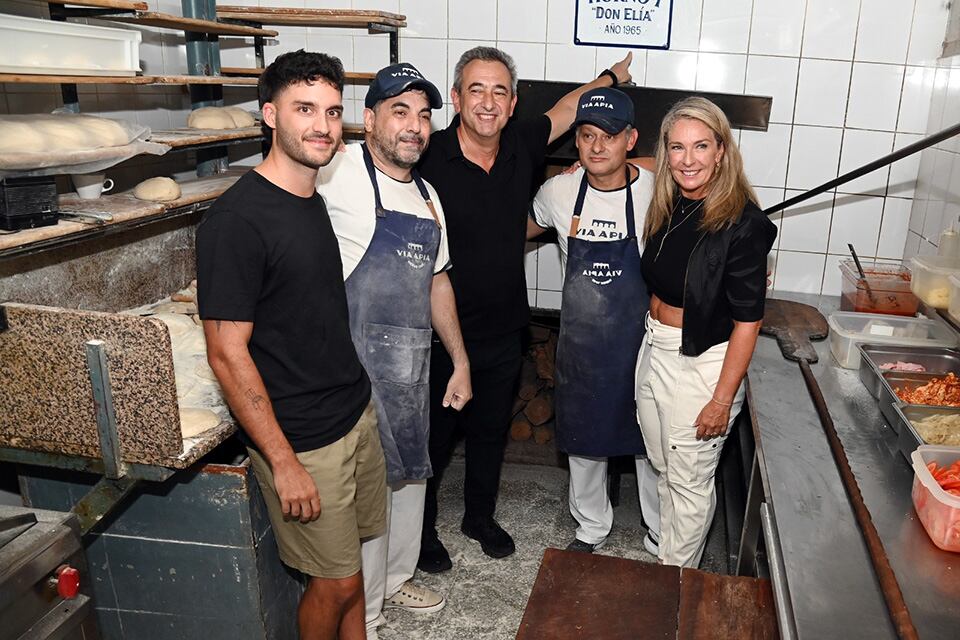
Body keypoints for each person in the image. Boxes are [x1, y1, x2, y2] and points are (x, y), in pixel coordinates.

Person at [416, 46, 634, 572]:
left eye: (500, 92)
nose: (488, 102)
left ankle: (479, 517)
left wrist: (609, 77)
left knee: (490, 431)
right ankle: (419, 532)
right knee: (433, 437)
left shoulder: (522, 141)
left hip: (503, 326)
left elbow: (568, 110)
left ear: (513, 103)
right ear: (456, 98)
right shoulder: (428, 154)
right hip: (440, 328)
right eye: (476, 90)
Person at [197, 50, 386, 640]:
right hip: (303, 438)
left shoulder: (310, 199)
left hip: (351, 412)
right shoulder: (237, 221)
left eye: (331, 111)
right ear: (270, 115)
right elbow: (226, 353)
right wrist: (282, 461)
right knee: (334, 584)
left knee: (352, 571)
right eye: (304, 109)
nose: (322, 125)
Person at [315, 62, 471, 639]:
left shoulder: (429, 196)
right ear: (369, 118)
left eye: (424, 115)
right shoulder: (334, 175)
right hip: (353, 370)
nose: (414, 126)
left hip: (410, 370)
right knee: (368, 495)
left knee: (410, 479)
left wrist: (460, 361)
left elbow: (437, 281)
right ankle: (367, 613)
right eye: (399, 111)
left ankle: (396, 579)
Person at [636, 97, 777, 568]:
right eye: (677, 147)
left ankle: (675, 582)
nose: (688, 159)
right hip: (655, 346)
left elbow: (748, 322)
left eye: (701, 146)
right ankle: (669, 557)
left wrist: (721, 399)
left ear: (721, 151)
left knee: (689, 481)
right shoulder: (671, 201)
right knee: (664, 466)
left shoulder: (744, 225)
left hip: (701, 362)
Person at [526, 87, 661, 555]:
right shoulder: (558, 192)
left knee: (650, 441)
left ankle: (660, 529)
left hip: (642, 342)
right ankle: (590, 525)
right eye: (587, 136)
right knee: (583, 439)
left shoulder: (655, 190)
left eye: (610, 136)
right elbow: (520, 227)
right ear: (577, 141)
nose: (597, 146)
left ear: (630, 140)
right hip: (582, 344)